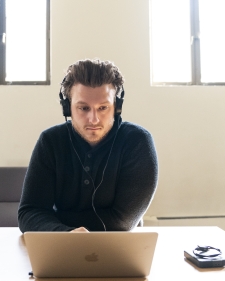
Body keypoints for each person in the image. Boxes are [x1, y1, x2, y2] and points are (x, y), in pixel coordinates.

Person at [18, 59, 158, 232]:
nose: (94, 119)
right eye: (83, 108)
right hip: (62, 245)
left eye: (103, 108)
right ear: (67, 108)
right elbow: (29, 212)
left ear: (117, 106)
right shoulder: (50, 141)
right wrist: (66, 233)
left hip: (118, 247)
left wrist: (56, 218)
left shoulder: (138, 141)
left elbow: (122, 221)